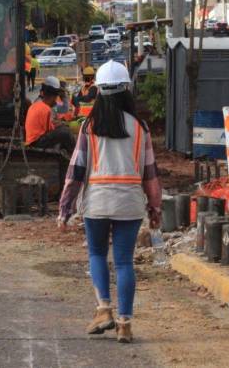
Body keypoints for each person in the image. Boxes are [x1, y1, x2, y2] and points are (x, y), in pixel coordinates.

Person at [57, 60, 162, 343]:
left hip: (98, 203)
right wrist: (155, 207)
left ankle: (104, 309)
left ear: (99, 92)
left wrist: (65, 208)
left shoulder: (89, 127)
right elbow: (150, 173)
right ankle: (125, 324)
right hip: (129, 203)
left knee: (97, 255)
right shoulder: (141, 127)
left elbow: (76, 170)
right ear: (127, 89)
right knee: (125, 262)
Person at [25, 76, 75, 152]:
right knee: (65, 132)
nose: (55, 102)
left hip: (32, 139)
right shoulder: (46, 108)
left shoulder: (37, 104)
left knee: (63, 129)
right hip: (36, 141)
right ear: (53, 97)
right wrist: (59, 125)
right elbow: (48, 130)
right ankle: (74, 156)